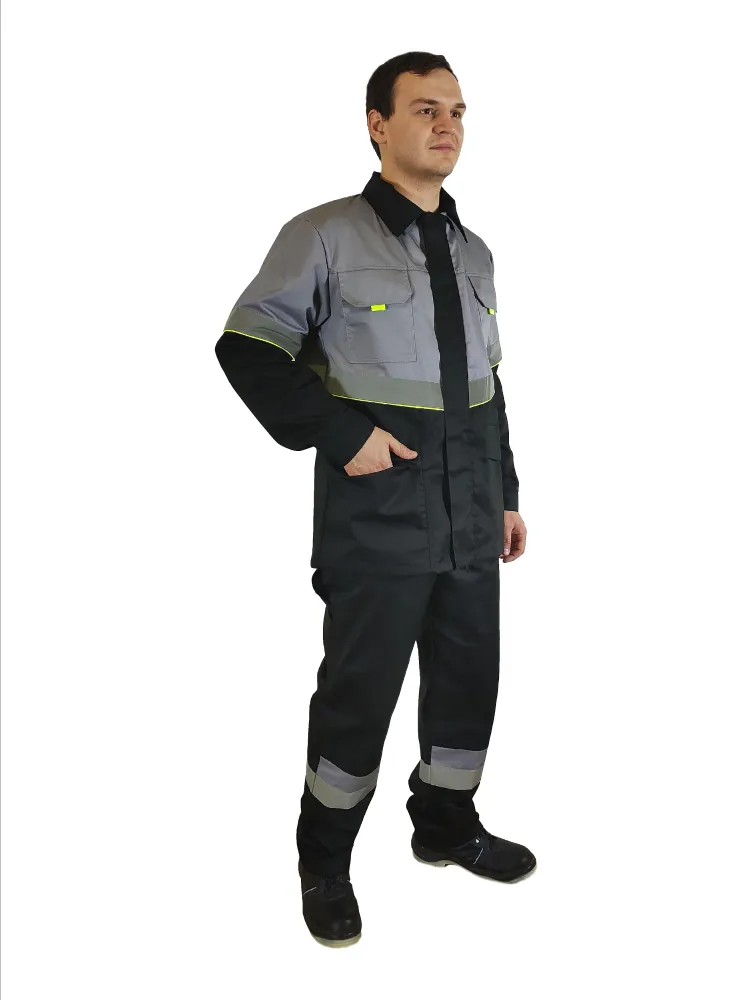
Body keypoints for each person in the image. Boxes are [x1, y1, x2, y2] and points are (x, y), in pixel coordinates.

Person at [215, 50, 535, 948]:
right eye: (426, 108)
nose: (447, 125)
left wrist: (505, 494)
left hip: (469, 514)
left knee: (469, 681)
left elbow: (487, 390)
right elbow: (247, 348)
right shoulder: (324, 235)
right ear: (377, 124)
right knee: (359, 695)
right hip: (379, 518)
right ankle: (324, 863)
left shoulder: (474, 251)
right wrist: (340, 432)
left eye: (458, 111)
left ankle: (446, 825)